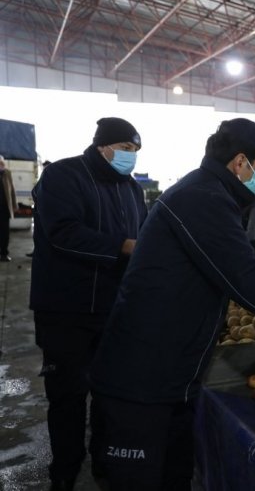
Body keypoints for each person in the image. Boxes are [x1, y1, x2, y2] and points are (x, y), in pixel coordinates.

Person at [89, 118, 255, 490]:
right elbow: (247, 282)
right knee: (137, 480)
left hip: (170, 373)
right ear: (240, 162)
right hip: (142, 377)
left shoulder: (209, 193)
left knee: (174, 474)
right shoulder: (203, 198)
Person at [29, 117, 147, 490]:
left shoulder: (131, 189)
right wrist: (123, 247)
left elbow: (144, 237)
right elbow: (62, 233)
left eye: (135, 152)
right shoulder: (64, 176)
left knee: (109, 394)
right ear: (103, 146)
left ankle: (103, 461)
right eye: (126, 149)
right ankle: (64, 470)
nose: (131, 158)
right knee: (67, 395)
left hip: (113, 311)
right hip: (66, 310)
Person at [0, 155, 18, 261]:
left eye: (1, 163)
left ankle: (4, 253)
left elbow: (12, 190)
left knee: (5, 232)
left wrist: (14, 205)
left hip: (4, 209)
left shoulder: (7, 173)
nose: (0, 165)